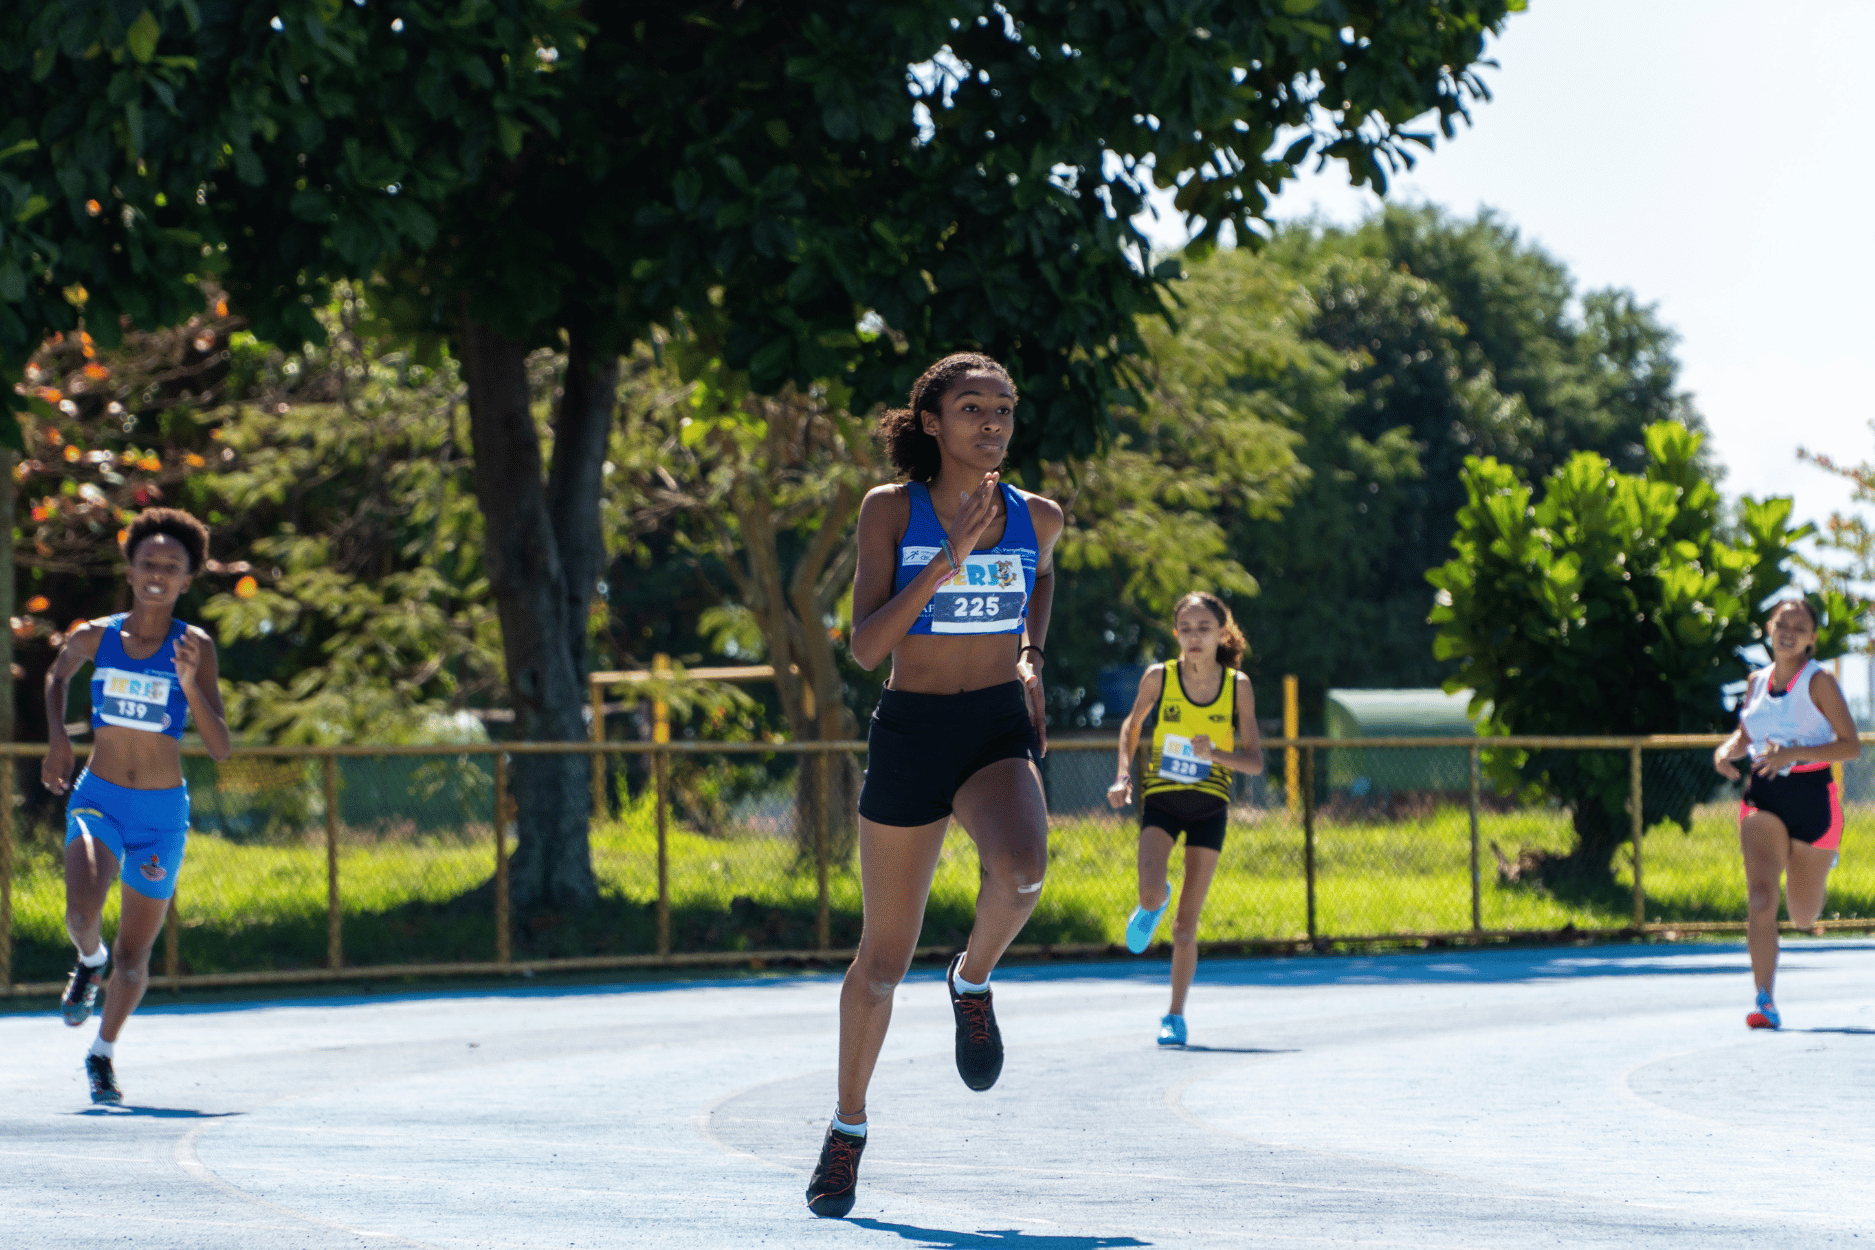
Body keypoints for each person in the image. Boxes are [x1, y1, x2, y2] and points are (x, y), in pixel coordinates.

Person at [803, 353, 1061, 1219]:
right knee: (881, 962)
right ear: (932, 422)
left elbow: (1042, 578)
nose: (991, 423)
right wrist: (947, 557)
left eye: (1003, 409)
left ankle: (972, 982)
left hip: (992, 725)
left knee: (1024, 869)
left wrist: (1029, 655)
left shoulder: (1040, 517)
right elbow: (867, 647)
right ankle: (847, 1128)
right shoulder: (891, 511)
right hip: (912, 731)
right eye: (971, 408)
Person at [44, 509, 231, 1103]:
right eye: (147, 563)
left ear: (186, 580)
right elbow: (57, 675)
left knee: (135, 953)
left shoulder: (194, 645)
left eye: (170, 568)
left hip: (160, 815)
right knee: (81, 912)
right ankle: (87, 960)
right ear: (129, 570)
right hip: (99, 797)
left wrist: (188, 685)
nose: (157, 574)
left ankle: (102, 1053)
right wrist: (57, 738)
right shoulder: (94, 636)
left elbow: (220, 746)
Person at [1106, 592, 1262, 1046]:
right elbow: (1132, 726)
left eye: (1204, 628)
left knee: (1185, 926)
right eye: (1187, 629)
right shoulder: (1160, 677)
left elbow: (1254, 762)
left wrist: (1216, 754)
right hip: (1163, 800)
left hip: (1210, 806)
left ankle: (1174, 1015)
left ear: (1221, 634)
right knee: (1151, 893)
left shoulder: (1238, 686)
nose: (1195, 637)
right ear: (1177, 635)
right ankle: (1154, 900)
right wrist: (1123, 776)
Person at [1712, 597, 1858, 1030]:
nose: (1789, 631)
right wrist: (1727, 750)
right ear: (1768, 629)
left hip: (1813, 800)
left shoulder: (1820, 683)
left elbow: (1850, 746)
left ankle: (1818, 863)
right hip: (1764, 797)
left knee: (1803, 915)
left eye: (1799, 626)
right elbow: (1745, 735)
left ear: (1812, 638)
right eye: (1782, 623)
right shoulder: (1756, 682)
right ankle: (1765, 999)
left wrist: (1793, 753)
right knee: (1760, 896)